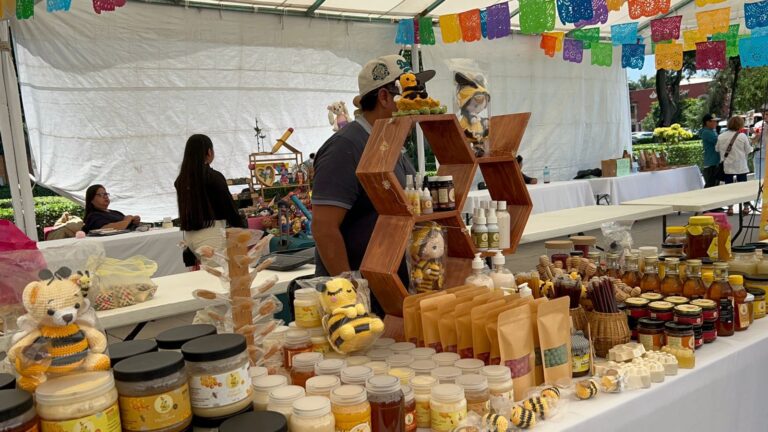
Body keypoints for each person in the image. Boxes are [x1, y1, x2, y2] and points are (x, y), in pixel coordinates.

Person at [312, 55, 416, 314]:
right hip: (359, 303)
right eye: (409, 93)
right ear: (384, 97)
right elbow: (324, 228)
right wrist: (350, 292)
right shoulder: (346, 146)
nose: (418, 100)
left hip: (391, 291)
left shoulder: (391, 141)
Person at [175, 134, 246, 264]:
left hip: (190, 236)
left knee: (204, 277)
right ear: (209, 152)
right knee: (216, 277)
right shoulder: (213, 177)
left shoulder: (181, 180)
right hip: (210, 234)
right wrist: (242, 227)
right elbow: (229, 207)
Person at [716, 116, 753, 215]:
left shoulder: (721, 136)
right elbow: (748, 150)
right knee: (744, 187)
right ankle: (745, 207)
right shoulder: (742, 136)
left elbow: (717, 149)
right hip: (741, 166)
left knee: (729, 188)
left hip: (727, 166)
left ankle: (730, 208)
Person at [700, 114, 720, 188]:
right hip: (711, 164)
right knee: (711, 186)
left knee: (713, 185)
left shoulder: (711, 131)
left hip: (713, 162)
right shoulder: (707, 132)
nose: (716, 123)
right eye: (714, 121)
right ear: (707, 122)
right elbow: (718, 142)